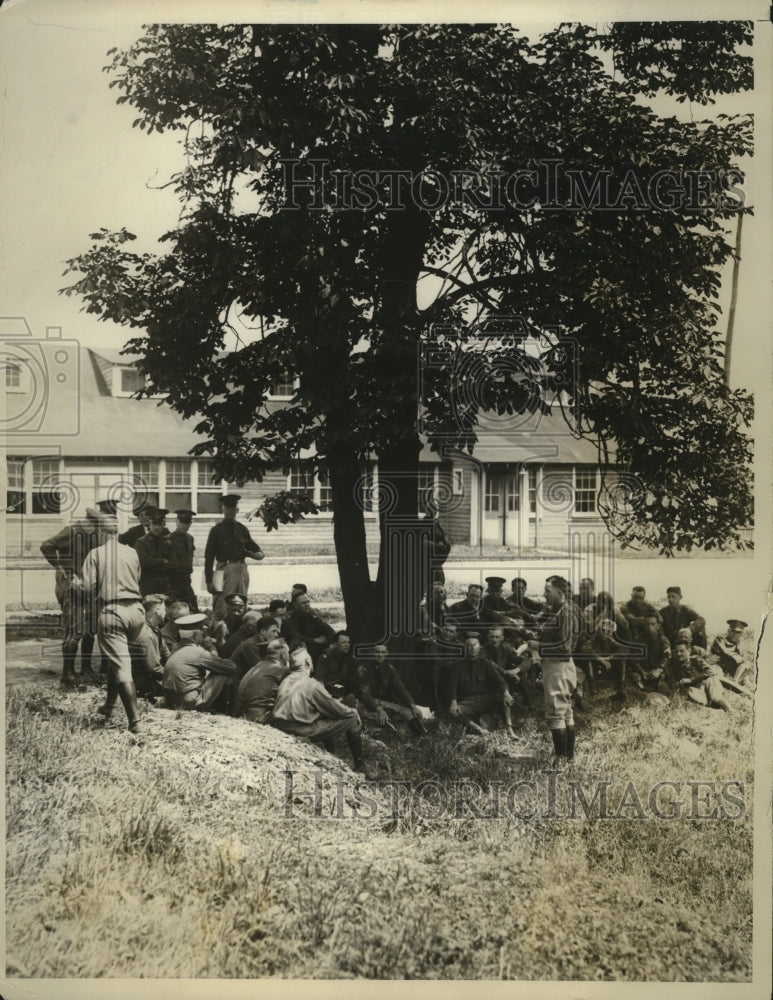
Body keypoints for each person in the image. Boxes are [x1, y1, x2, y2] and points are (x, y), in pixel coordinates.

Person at [75, 507, 146, 733]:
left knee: (121, 666)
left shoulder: (95, 554)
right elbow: (138, 579)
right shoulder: (132, 552)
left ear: (100, 533)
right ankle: (108, 706)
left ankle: (135, 722)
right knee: (118, 661)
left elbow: (87, 588)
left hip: (112, 613)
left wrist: (76, 583)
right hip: (136, 612)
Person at [271, 648, 366, 772]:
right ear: (307, 662)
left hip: (280, 726)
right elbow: (335, 709)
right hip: (300, 730)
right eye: (310, 658)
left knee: (323, 714)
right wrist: (353, 711)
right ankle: (360, 766)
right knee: (352, 718)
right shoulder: (312, 684)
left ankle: (331, 753)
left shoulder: (286, 680)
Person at [40, 504, 102, 685]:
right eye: (95, 526)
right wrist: (59, 567)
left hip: (88, 586)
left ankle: (86, 667)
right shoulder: (71, 531)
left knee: (91, 628)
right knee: (74, 629)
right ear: (88, 522)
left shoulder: (94, 536)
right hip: (70, 587)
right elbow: (47, 546)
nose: (96, 530)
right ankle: (68, 672)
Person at [538, 575, 583, 760]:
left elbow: (564, 648)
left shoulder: (565, 613)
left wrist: (537, 646)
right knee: (565, 712)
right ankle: (568, 756)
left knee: (556, 712)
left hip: (558, 666)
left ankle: (561, 758)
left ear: (560, 592)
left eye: (548, 591)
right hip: (561, 666)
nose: (544, 594)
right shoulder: (565, 610)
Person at [204, 494, 265, 617]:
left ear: (237, 510)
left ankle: (237, 629)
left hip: (241, 570)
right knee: (221, 605)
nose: (230, 511)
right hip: (223, 570)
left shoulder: (242, 529)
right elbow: (209, 557)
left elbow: (259, 553)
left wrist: (250, 554)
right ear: (223, 510)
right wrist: (209, 580)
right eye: (227, 508)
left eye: (233, 508)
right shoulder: (216, 530)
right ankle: (219, 630)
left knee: (240, 603)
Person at [161, 613, 236, 711]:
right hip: (190, 702)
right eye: (203, 632)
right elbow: (231, 667)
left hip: (172, 701)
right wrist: (211, 646)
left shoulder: (176, 648)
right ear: (196, 635)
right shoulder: (198, 652)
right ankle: (227, 709)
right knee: (226, 673)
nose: (204, 635)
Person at [349, 644, 427, 736]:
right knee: (380, 721)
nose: (380, 655)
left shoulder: (389, 669)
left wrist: (412, 705)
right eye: (377, 652)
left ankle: (424, 736)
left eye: (382, 652)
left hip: (384, 703)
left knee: (409, 713)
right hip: (366, 705)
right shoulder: (363, 670)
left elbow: (400, 689)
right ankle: (392, 731)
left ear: (386, 653)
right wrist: (379, 710)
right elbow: (366, 696)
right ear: (371, 653)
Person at [447, 635, 515, 738]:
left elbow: (500, 681)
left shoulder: (486, 664)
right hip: (468, 702)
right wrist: (453, 701)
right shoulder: (456, 666)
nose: (472, 648)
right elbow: (452, 686)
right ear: (465, 648)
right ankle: (479, 730)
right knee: (455, 712)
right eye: (469, 645)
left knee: (504, 698)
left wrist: (506, 692)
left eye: (475, 645)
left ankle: (510, 729)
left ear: (479, 648)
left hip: (486, 699)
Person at [233, 638, 290, 722]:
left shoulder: (257, 666)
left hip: (240, 714)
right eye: (288, 652)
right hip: (260, 718)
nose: (289, 656)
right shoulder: (282, 670)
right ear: (283, 653)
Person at [671, 640, 730, 712]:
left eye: (681, 651)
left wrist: (691, 680)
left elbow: (710, 671)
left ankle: (730, 710)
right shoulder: (676, 665)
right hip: (697, 691)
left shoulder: (695, 659)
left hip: (709, 685)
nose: (679, 654)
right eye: (677, 651)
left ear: (689, 650)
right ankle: (714, 710)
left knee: (715, 696)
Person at [130, 593, 170, 698]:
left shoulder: (154, 628)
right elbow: (153, 668)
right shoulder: (146, 634)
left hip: (148, 677)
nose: (166, 612)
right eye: (164, 609)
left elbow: (166, 653)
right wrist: (173, 675)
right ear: (157, 611)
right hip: (140, 682)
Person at [482, 625, 532, 709]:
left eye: (497, 637)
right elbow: (489, 664)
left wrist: (516, 670)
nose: (494, 640)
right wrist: (506, 672)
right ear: (488, 637)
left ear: (502, 638)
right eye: (492, 637)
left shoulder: (505, 648)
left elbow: (527, 660)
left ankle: (528, 705)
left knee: (522, 677)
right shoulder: (482, 649)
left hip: (506, 677)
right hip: (489, 680)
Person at [283, 591, 336, 666]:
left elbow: (327, 629)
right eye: (303, 603)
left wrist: (333, 642)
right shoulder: (290, 618)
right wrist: (315, 640)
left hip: (318, 649)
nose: (307, 605)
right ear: (295, 605)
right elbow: (294, 637)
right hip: (302, 651)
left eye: (307, 602)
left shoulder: (311, 613)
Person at [628, 613, 670, 692]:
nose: (650, 627)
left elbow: (667, 657)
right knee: (635, 678)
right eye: (647, 624)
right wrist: (642, 671)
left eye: (653, 624)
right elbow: (633, 659)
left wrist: (659, 669)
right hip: (644, 671)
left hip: (659, 670)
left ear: (658, 625)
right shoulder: (638, 640)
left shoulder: (663, 640)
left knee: (663, 685)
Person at [135, 508, 173, 597]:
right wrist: (162, 561)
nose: (157, 527)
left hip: (166, 585)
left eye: (159, 524)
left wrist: (153, 561)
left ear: (163, 524)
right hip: (148, 584)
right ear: (149, 524)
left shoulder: (170, 541)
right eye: (154, 524)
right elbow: (143, 562)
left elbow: (173, 563)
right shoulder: (141, 542)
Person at [168, 508, 199, 611]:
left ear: (190, 523)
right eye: (181, 522)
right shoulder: (168, 539)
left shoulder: (190, 539)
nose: (183, 525)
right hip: (173, 581)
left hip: (186, 580)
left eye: (186, 522)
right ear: (176, 521)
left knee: (193, 609)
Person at [315, 631, 357, 701]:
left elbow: (352, 679)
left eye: (348, 642)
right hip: (329, 694)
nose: (347, 645)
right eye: (343, 642)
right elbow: (319, 680)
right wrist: (327, 697)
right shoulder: (326, 657)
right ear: (335, 644)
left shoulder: (349, 658)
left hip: (343, 693)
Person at [711, 620, 753, 686]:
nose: (735, 634)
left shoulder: (740, 645)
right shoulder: (720, 639)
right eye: (733, 631)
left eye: (738, 632)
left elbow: (743, 660)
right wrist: (735, 656)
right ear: (728, 631)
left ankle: (735, 682)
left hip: (732, 671)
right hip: (719, 666)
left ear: (741, 634)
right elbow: (724, 651)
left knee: (747, 664)